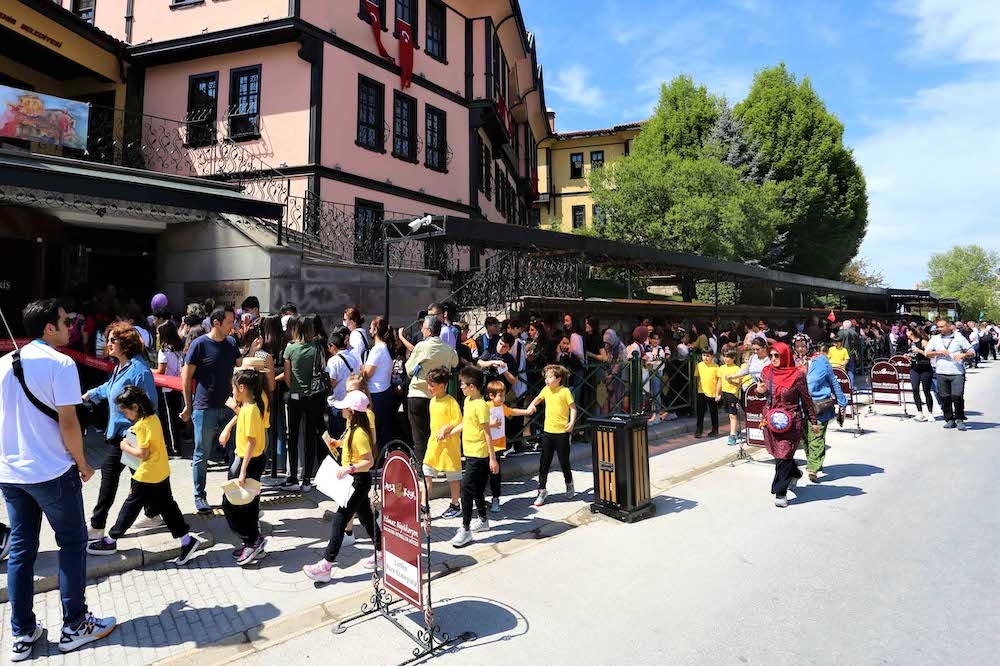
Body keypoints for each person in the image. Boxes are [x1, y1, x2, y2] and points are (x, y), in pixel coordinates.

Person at [0, 299, 115, 661]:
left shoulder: (3, 364)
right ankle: (75, 624)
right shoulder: (61, 363)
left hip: (11, 473)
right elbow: (68, 421)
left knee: (22, 550)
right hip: (51, 470)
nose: (72, 327)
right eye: (66, 322)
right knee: (72, 542)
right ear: (49, 328)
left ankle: (21, 632)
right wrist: (83, 463)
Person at [86, 387, 200, 564]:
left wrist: (124, 446)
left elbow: (142, 453)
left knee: (130, 507)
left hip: (146, 475)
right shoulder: (153, 418)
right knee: (168, 507)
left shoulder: (141, 426)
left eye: (125, 411)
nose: (125, 416)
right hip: (161, 471)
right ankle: (186, 540)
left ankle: (110, 540)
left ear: (135, 407)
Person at [83, 323, 159, 538]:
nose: (108, 344)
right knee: (142, 480)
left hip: (131, 437)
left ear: (126, 344)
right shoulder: (120, 366)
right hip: (119, 437)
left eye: (112, 340)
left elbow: (150, 405)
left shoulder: (140, 371)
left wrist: (140, 435)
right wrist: (91, 394)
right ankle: (154, 513)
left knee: (114, 479)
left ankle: (98, 525)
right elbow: (110, 388)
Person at [303, 391, 380, 582]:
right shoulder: (353, 427)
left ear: (352, 411)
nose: (341, 410)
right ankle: (382, 551)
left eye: (345, 407)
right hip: (356, 481)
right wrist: (338, 443)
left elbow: (369, 461)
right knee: (367, 518)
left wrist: (349, 468)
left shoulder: (360, 433)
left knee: (340, 519)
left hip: (357, 482)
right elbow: (349, 443)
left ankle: (326, 565)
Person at [180, 306, 241, 513]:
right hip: (204, 408)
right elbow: (186, 377)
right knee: (202, 453)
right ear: (216, 323)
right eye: (230, 322)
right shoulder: (199, 345)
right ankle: (200, 495)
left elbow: (239, 369)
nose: (233, 326)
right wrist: (188, 405)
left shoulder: (231, 343)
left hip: (229, 407)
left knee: (235, 451)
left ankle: (232, 494)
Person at [755, 343, 819, 507]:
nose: (773, 359)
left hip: (791, 422)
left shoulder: (797, 375)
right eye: (771, 355)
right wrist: (759, 391)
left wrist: (813, 421)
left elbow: (806, 400)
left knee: (783, 454)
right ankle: (795, 473)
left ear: (785, 356)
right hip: (771, 421)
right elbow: (762, 394)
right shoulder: (766, 372)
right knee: (780, 455)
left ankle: (780, 492)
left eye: (777, 355)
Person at [221, 369, 270, 565]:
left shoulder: (250, 409)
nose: (232, 392)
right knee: (246, 505)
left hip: (248, 462)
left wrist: (242, 471)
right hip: (249, 460)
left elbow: (251, 442)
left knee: (233, 505)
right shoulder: (251, 406)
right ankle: (253, 542)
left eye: (234, 388)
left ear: (242, 388)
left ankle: (252, 541)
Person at [449, 367, 499, 548]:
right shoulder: (468, 401)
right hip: (469, 451)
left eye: (463, 384)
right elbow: (466, 422)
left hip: (479, 454)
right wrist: (451, 432)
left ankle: (466, 528)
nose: (461, 387)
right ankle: (483, 520)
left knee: (466, 490)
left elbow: (487, 433)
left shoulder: (481, 405)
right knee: (477, 489)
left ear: (472, 386)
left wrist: (492, 458)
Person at [404, 316, 459, 469]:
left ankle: (422, 470)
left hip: (419, 393)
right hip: (439, 397)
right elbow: (455, 362)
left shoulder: (422, 347)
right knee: (434, 434)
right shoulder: (448, 349)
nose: (421, 330)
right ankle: (436, 466)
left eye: (423, 328)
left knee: (419, 436)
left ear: (428, 330)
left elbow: (409, 369)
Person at [281, 315, 327, 491]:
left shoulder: (290, 349)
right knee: (310, 437)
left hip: (295, 396)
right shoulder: (318, 348)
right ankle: (307, 479)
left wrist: (295, 388)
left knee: (292, 437)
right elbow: (323, 368)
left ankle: (293, 477)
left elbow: (287, 377)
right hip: (314, 396)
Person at [527, 364, 577, 506]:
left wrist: (571, 422)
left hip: (562, 433)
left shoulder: (565, 391)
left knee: (564, 462)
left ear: (558, 379)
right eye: (546, 377)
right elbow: (538, 398)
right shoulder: (546, 389)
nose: (546, 380)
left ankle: (569, 483)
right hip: (548, 432)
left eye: (549, 377)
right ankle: (541, 490)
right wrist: (531, 405)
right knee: (544, 463)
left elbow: (573, 408)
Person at [485, 379, 533, 512]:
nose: (503, 398)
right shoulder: (486, 407)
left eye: (503, 395)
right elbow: (478, 423)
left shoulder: (502, 407)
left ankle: (495, 498)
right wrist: (491, 424)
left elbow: (513, 411)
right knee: (483, 474)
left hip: (498, 445)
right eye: (500, 395)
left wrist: (526, 412)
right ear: (491, 396)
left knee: (496, 474)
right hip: (485, 446)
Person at [803, 343, 848, 482]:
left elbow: (833, 381)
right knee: (806, 438)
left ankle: (813, 468)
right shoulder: (792, 362)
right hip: (801, 406)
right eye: (797, 346)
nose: (800, 349)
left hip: (819, 405)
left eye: (802, 346)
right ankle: (815, 460)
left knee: (816, 436)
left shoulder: (821, 361)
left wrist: (842, 402)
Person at [423, 367, 464, 519]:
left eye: (432, 385)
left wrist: (447, 428)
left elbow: (458, 421)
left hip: (449, 447)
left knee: (453, 476)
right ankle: (424, 505)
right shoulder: (432, 401)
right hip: (434, 445)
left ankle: (455, 503)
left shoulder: (451, 402)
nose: (429, 388)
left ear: (442, 386)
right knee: (427, 473)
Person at [925, 319, 973, 430]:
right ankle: (949, 419)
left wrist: (963, 355)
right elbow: (927, 353)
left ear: (949, 327)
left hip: (957, 372)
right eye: (938, 327)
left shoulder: (959, 338)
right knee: (944, 397)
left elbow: (972, 352)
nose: (939, 329)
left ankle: (959, 419)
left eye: (942, 326)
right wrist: (938, 352)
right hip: (941, 372)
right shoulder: (935, 339)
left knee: (957, 396)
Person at [153, 319, 185, 456]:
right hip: (177, 385)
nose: (157, 336)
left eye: (158, 333)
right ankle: (176, 444)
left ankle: (173, 447)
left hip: (166, 387)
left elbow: (160, 370)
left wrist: (149, 370)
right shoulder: (178, 348)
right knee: (175, 416)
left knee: (168, 417)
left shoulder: (164, 351)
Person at [363, 316, 396, 450]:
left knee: (377, 429)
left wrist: (361, 370)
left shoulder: (378, 349)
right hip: (384, 391)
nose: (369, 329)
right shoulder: (385, 347)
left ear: (375, 330)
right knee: (384, 428)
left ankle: (381, 458)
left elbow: (367, 373)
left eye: (371, 327)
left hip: (377, 393)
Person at [906, 326, 934, 421]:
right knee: (915, 389)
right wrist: (908, 356)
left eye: (907, 331)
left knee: (926, 390)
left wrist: (919, 351)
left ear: (911, 332)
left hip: (925, 368)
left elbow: (930, 355)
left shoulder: (923, 342)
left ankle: (930, 413)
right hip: (914, 368)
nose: (906, 333)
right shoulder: (910, 342)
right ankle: (919, 412)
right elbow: (912, 355)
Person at [717, 350, 742, 445]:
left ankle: (732, 435)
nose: (726, 359)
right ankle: (736, 430)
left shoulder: (737, 369)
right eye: (724, 356)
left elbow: (738, 383)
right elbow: (719, 382)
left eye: (728, 357)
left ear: (733, 358)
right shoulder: (722, 368)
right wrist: (717, 393)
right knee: (730, 414)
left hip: (733, 394)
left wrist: (731, 380)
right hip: (725, 393)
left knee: (732, 415)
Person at [694, 350, 720, 438]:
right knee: (700, 412)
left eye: (708, 356)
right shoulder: (699, 365)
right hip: (701, 391)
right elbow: (697, 377)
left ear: (712, 356)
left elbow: (719, 380)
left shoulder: (716, 367)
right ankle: (699, 430)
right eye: (704, 355)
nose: (705, 357)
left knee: (713, 411)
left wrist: (718, 393)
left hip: (712, 392)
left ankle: (715, 429)